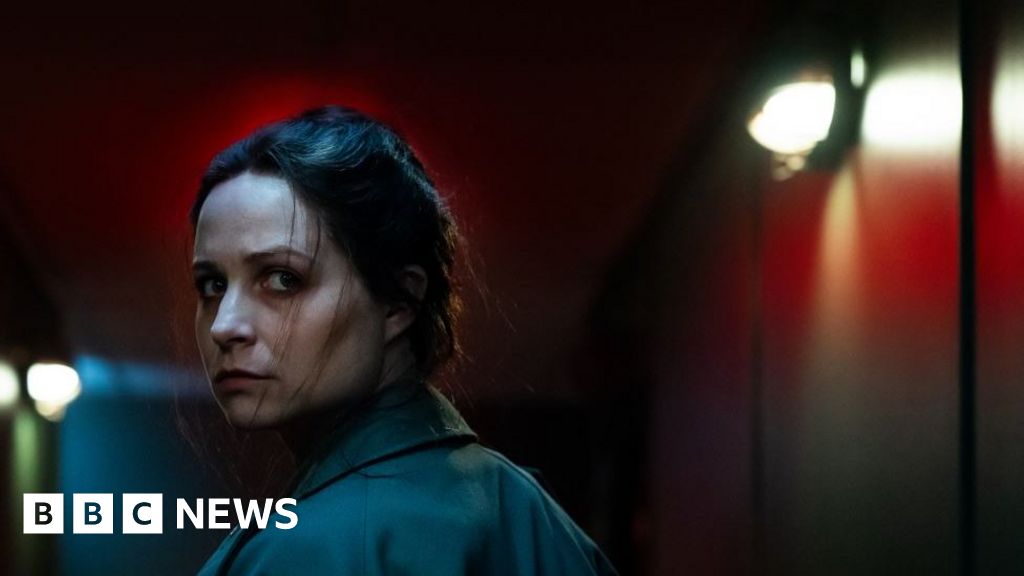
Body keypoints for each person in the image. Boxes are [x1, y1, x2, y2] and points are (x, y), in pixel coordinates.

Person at [189, 106, 618, 575]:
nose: (224, 325)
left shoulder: (319, 545)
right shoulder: (522, 510)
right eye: (212, 285)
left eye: (282, 279)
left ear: (398, 302)